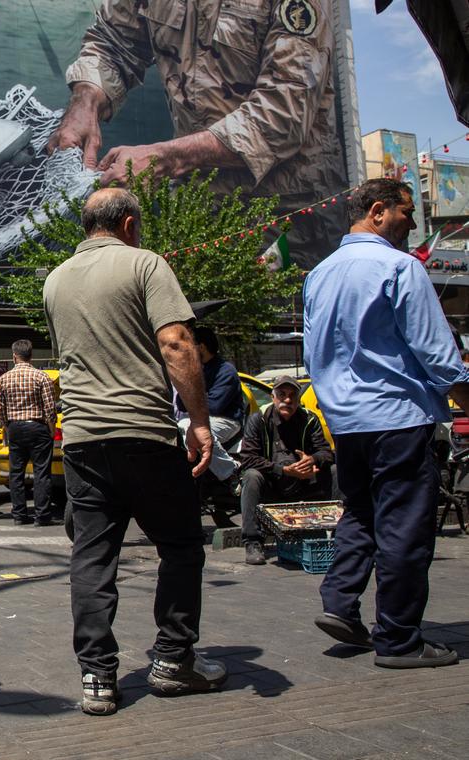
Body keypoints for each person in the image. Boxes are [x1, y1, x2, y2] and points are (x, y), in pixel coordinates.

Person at [44, 188, 224, 717]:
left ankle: (98, 676)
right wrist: (199, 421)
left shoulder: (55, 279)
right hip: (142, 431)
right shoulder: (145, 264)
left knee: (93, 557)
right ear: (128, 224)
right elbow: (176, 343)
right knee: (182, 546)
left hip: (81, 439)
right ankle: (172, 660)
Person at [303, 177, 469, 668]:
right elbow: (437, 352)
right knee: (403, 529)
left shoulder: (320, 273)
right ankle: (398, 639)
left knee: (362, 513)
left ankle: (340, 603)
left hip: (347, 420)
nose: (412, 224)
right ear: (378, 211)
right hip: (397, 416)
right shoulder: (399, 267)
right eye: (406, 213)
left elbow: (315, 354)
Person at [46, 0, 346, 265]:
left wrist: (166, 157)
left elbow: (284, 112)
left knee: (274, 324)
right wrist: (85, 102)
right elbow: (112, 42)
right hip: (198, 207)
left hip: (285, 215)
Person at [238, 375, 335, 566]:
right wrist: (283, 470)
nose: (287, 400)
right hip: (273, 485)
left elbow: (326, 452)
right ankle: (252, 542)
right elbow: (247, 458)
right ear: (273, 397)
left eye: (292, 396)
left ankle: (342, 537)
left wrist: (312, 459)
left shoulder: (309, 419)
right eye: (282, 395)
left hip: (303, 483)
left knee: (335, 471)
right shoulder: (258, 420)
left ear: (298, 400)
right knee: (250, 476)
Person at [0, 339, 58, 526]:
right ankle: (42, 515)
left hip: (15, 427)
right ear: (31, 355)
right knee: (41, 472)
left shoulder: (3, 379)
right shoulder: (42, 377)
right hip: (37, 427)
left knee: (16, 473)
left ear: (14, 356)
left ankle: (19, 515)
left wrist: (7, 427)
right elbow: (50, 409)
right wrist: (51, 430)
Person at [174, 326, 241, 483]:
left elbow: (216, 405)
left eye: (190, 345)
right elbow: (181, 403)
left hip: (227, 420)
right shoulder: (196, 370)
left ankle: (232, 471)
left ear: (201, 346)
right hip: (200, 417)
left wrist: (193, 398)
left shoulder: (226, 370)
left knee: (189, 426)